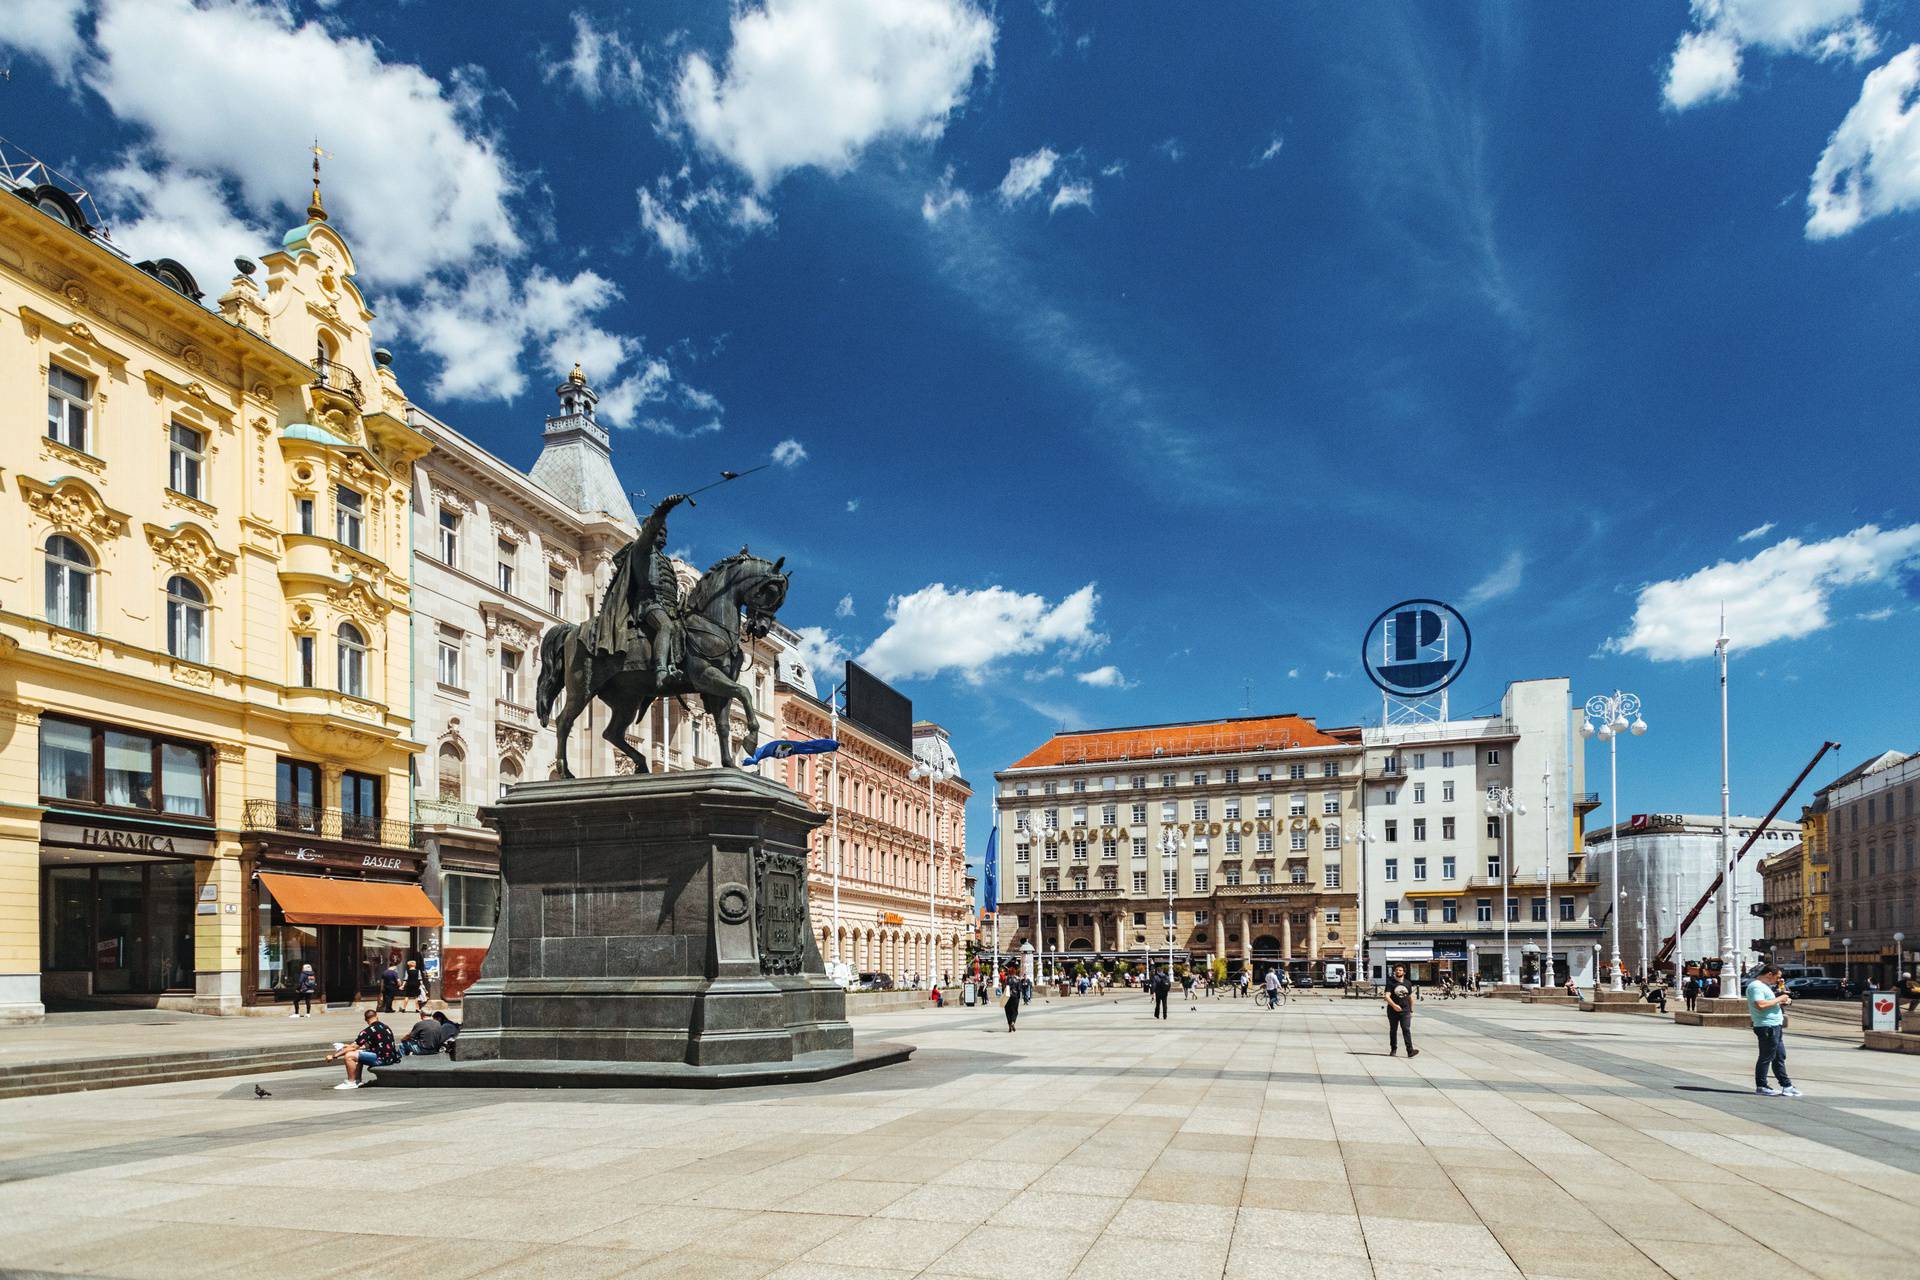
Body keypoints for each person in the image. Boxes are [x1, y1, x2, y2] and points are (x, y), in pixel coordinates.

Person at [1745, 963, 1800, 1097]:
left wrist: (1781, 1002)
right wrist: (1780, 998)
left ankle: (1786, 1085)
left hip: (1774, 1025)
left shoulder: (1764, 986)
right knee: (1766, 1057)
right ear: (1769, 974)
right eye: (1778, 977)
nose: (1779, 980)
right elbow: (1760, 1005)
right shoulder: (1756, 986)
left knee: (1779, 1056)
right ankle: (1762, 1086)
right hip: (1767, 1026)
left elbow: (1768, 1003)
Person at [326, 1009, 400, 1089]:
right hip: (391, 1058)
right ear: (377, 1016)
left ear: (366, 1020)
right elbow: (364, 1046)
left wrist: (334, 1056)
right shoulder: (386, 1028)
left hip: (381, 1059)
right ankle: (357, 1081)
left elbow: (354, 1047)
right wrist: (345, 1046)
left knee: (349, 1056)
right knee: (357, 1053)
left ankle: (351, 1082)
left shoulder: (367, 1031)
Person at [1385, 964, 1418, 1057]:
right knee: (1393, 1030)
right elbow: (1386, 996)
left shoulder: (1408, 983)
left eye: (1400, 970)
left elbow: (1410, 997)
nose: (1398, 971)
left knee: (1406, 1029)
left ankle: (1410, 1051)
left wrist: (1411, 1010)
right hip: (1393, 1010)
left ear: (1404, 972)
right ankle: (1393, 1049)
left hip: (1405, 1010)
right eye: (1397, 970)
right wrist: (1394, 1005)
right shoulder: (1391, 982)